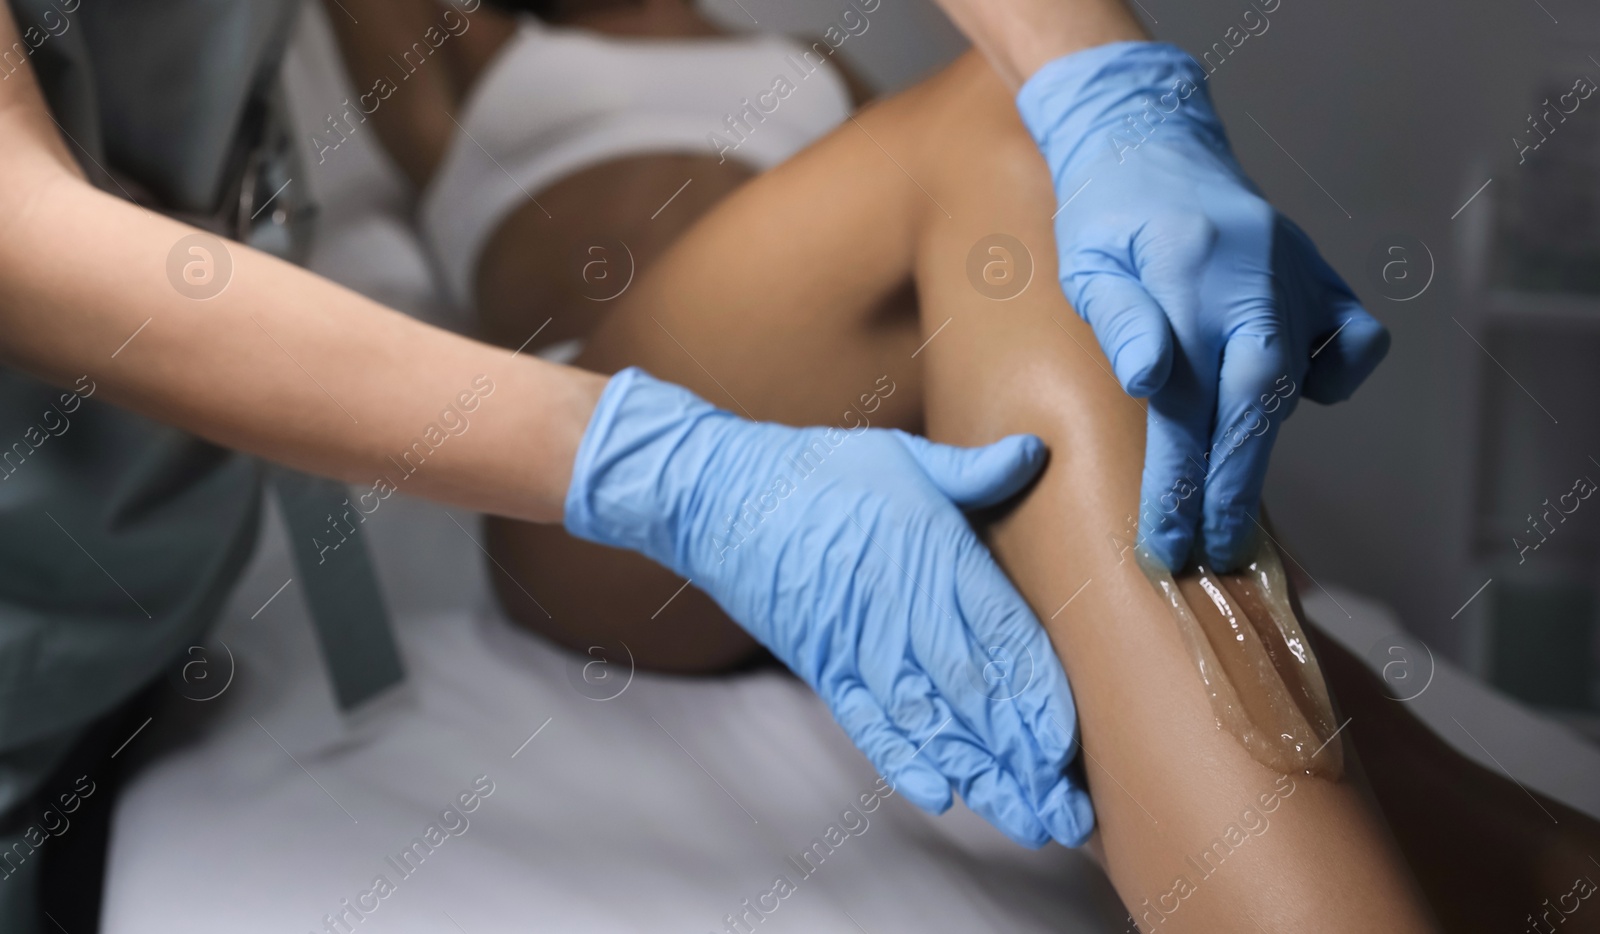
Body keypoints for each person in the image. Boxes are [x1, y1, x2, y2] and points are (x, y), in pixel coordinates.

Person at [0, 1, 1389, 931]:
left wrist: (1109, 90)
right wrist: (669, 464)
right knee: (999, 138)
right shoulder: (463, 46)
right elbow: (23, 228)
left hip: (881, 399)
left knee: (1024, 194)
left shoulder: (795, 49)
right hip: (632, 431)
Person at [501, 44, 1600, 930]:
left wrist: (1109, 123)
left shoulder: (814, 66)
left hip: (878, 419)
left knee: (1021, 142)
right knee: (1006, 99)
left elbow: (975, 273)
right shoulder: (465, 40)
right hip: (589, 439)